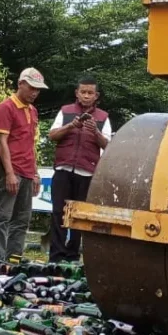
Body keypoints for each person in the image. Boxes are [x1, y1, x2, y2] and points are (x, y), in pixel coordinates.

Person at [47, 75, 112, 262]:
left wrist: (95, 131)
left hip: (87, 173)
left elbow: (107, 145)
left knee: (79, 216)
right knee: (58, 213)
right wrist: (71, 125)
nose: (86, 96)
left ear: (96, 95)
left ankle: (72, 256)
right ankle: (56, 256)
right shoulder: (65, 112)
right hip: (63, 170)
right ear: (77, 93)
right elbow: (52, 135)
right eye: (83, 92)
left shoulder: (103, 117)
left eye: (90, 93)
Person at [0, 68, 47, 263]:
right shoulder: (6, 107)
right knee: (2, 217)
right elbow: (2, 142)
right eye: (31, 88)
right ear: (21, 84)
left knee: (22, 220)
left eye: (38, 89)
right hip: (11, 170)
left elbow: (31, 143)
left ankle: (13, 259)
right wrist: (10, 173)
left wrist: (35, 174)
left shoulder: (33, 110)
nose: (35, 92)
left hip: (28, 171)